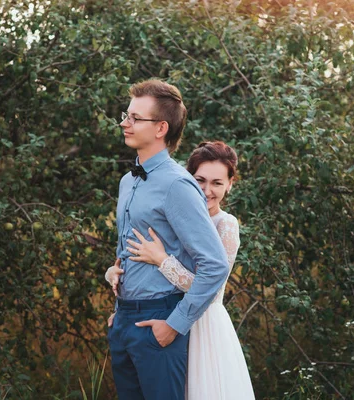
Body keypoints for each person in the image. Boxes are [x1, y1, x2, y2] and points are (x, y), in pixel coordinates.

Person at [107, 79, 229, 400]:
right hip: (123, 320)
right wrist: (118, 285)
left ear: (161, 128)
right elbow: (127, 249)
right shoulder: (126, 182)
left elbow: (215, 266)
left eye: (135, 118)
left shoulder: (178, 185)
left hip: (160, 321)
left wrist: (174, 324)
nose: (125, 123)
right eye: (126, 115)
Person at [107, 141, 256, 400]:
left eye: (217, 183)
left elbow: (212, 286)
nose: (207, 190)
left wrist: (163, 261)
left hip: (201, 324)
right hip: (161, 315)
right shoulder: (176, 212)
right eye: (200, 180)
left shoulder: (226, 225)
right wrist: (118, 289)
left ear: (230, 184)